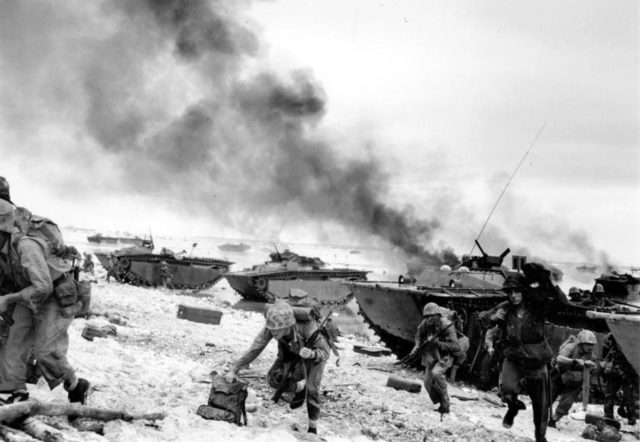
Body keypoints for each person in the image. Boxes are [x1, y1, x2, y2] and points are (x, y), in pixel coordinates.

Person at [0, 199, 90, 404]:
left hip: (53, 295)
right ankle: (14, 392)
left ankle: (76, 385)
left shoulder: (26, 246)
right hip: (28, 292)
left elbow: (43, 287)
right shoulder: (3, 248)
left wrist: (8, 299)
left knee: (46, 353)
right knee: (11, 342)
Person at [480, 262, 562, 442]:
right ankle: (513, 407)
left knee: (540, 404)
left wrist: (549, 283)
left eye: (517, 291)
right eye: (510, 292)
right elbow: (483, 318)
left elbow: (560, 304)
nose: (513, 296)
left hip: (536, 358)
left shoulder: (537, 306)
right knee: (507, 389)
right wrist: (492, 317)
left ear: (524, 291)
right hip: (515, 356)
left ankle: (540, 436)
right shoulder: (505, 308)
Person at [224, 301, 330, 434]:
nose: (272, 333)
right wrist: (235, 369)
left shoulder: (307, 328)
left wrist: (312, 354)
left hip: (314, 355)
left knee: (312, 389)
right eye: (271, 330)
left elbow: (325, 353)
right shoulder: (272, 326)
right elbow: (255, 347)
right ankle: (299, 389)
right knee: (274, 379)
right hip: (293, 350)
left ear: (287, 326)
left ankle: (313, 428)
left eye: (276, 331)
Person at [408, 302, 460, 414]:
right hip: (431, 355)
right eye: (426, 316)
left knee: (437, 373)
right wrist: (416, 347)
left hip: (445, 355)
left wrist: (439, 344)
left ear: (437, 315)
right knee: (427, 382)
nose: (428, 319)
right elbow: (418, 336)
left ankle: (445, 404)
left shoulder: (447, 325)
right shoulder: (425, 324)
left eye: (431, 316)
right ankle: (439, 401)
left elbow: (455, 346)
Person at [548, 329, 597, 427]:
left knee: (567, 402)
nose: (591, 347)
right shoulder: (571, 347)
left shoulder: (591, 356)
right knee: (548, 397)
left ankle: (554, 420)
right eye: (588, 344)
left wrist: (592, 368)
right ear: (582, 343)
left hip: (574, 380)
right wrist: (575, 361)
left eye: (592, 345)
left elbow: (592, 369)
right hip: (559, 375)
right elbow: (559, 358)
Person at [601, 333, 638, 425]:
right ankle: (608, 414)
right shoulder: (612, 347)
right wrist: (605, 366)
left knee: (628, 396)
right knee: (609, 393)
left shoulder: (631, 345)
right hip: (614, 373)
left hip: (627, 373)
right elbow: (606, 358)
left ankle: (631, 416)